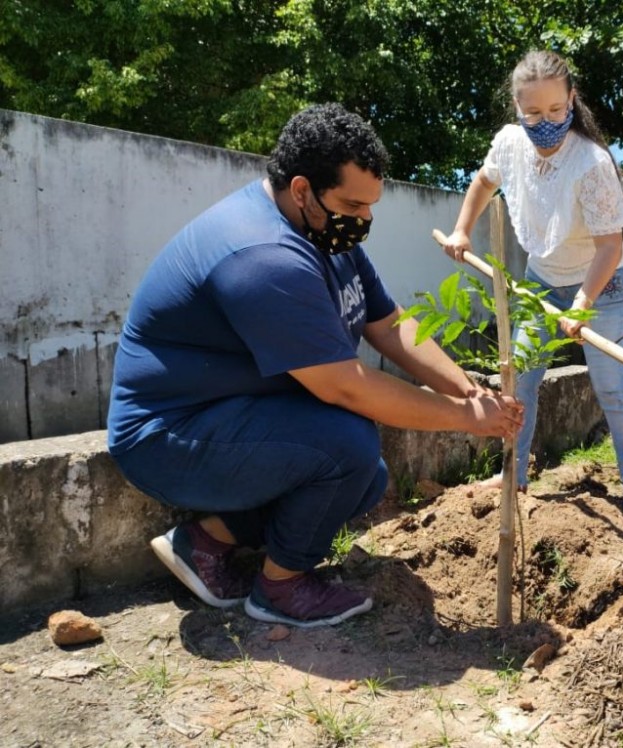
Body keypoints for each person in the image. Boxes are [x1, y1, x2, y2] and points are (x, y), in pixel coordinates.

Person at [107, 103, 523, 628]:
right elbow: (344, 387)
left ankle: (204, 543)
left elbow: (390, 324)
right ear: (302, 189)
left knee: (365, 477)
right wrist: (466, 420)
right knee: (347, 444)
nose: (365, 219)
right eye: (354, 203)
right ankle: (281, 588)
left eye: (371, 205)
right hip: (167, 438)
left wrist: (467, 391)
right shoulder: (265, 256)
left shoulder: (327, 233)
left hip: (229, 415)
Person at [441, 50, 623, 531]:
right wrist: (461, 230)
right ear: (517, 109)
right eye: (533, 113)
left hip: (604, 284)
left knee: (612, 387)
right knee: (520, 380)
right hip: (542, 283)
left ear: (572, 101)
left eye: (556, 111)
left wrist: (582, 305)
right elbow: (483, 181)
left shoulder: (592, 163)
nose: (545, 122)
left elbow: (609, 245)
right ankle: (512, 474)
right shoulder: (509, 144)